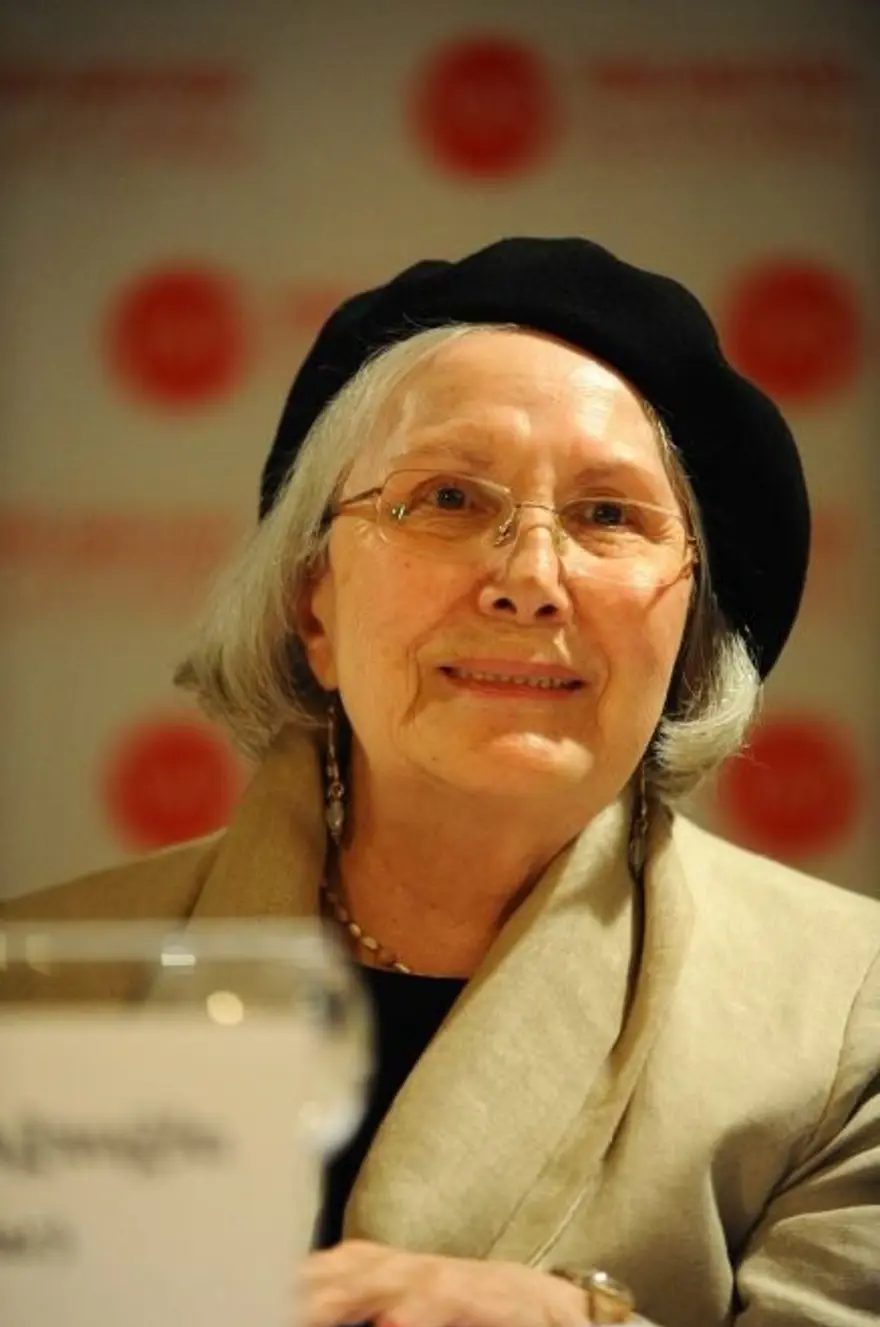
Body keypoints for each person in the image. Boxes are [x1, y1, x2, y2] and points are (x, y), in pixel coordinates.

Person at [2, 237, 878, 1327]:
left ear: (690, 635)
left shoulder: (850, 1021)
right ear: (313, 606)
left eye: (609, 515)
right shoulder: (34, 999)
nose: (530, 579)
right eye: (450, 497)